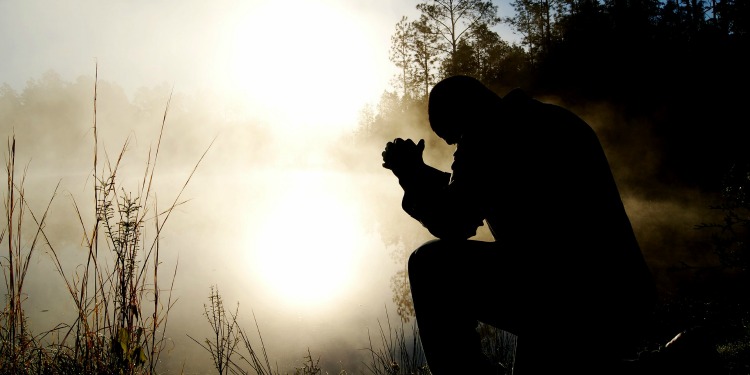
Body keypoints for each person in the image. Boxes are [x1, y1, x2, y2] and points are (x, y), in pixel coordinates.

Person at [381, 75, 657, 374]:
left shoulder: (489, 134)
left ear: (465, 114)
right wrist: (421, 174)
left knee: (430, 266)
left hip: (565, 295)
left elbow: (455, 222)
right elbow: (470, 192)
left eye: (457, 138)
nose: (457, 150)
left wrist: (410, 174)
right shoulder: (550, 119)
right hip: (618, 293)